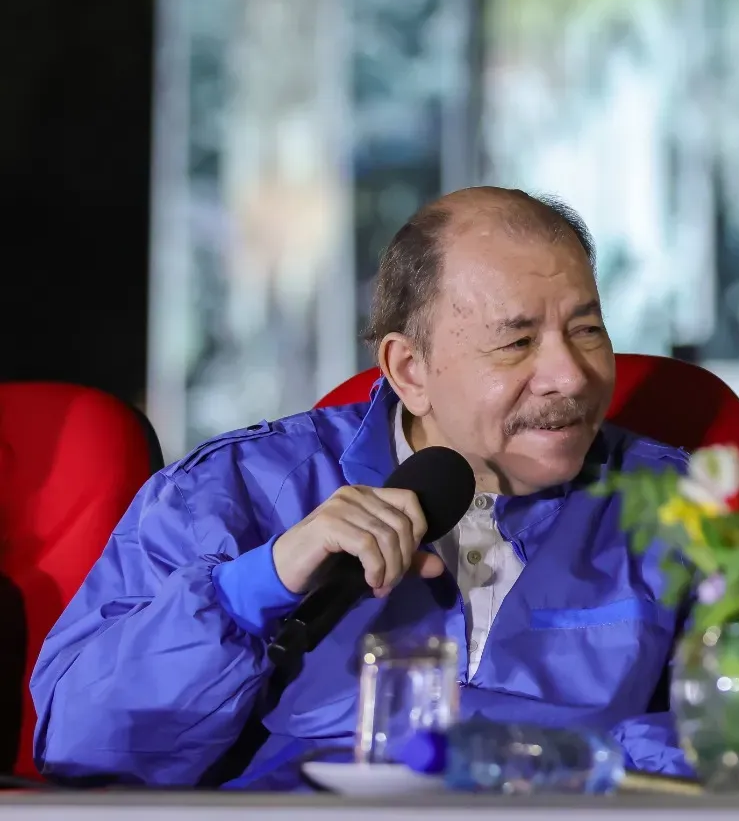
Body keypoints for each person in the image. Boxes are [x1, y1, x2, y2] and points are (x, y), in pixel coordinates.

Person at [31, 188, 693, 788]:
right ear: (410, 370)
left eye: (587, 330)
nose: (570, 376)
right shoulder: (232, 491)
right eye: (517, 342)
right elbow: (81, 748)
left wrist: (562, 763)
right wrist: (257, 586)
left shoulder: (689, 513)